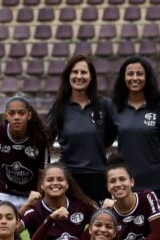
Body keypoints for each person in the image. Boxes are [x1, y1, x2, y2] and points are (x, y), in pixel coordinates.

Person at [109, 56, 160, 228]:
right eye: (130, 74)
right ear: (123, 78)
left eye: (139, 74)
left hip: (156, 181)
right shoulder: (114, 107)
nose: (135, 78)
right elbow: (103, 141)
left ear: (147, 77)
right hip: (127, 183)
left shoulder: (159, 105)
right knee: (130, 235)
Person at [46, 54, 117, 202]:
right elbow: (46, 140)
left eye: (83, 72)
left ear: (91, 77)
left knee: (100, 224)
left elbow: (110, 136)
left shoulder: (105, 105)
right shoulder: (59, 107)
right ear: (68, 76)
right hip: (69, 178)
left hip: (98, 176)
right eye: (75, 72)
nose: (79, 76)